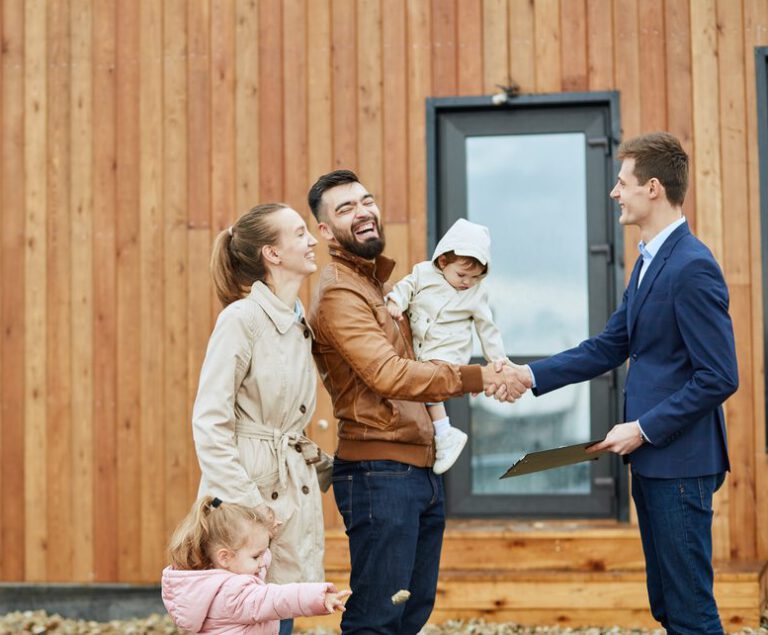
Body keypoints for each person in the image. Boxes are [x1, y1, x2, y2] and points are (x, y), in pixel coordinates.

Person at [523, 132, 738, 634]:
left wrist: (642, 428)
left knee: (690, 613)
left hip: (681, 464)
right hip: (656, 463)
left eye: (623, 183)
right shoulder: (648, 261)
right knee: (668, 605)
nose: (615, 193)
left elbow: (720, 375)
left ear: (654, 188)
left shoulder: (692, 265)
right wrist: (529, 374)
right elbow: (610, 345)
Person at [306, 169, 531, 634]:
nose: (363, 211)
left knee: (411, 611)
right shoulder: (340, 294)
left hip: (417, 468)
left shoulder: (378, 288)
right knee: (378, 618)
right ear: (325, 231)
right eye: (345, 208)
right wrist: (478, 376)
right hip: (379, 470)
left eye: (366, 201)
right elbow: (387, 374)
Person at [191, 203, 332, 635]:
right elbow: (209, 422)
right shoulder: (240, 320)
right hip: (248, 491)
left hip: (290, 484)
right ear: (272, 253)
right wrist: (248, 503)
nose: (312, 241)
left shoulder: (299, 321)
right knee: (249, 613)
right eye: (299, 233)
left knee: (282, 603)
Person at [385, 218, 508, 474]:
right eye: (462, 275)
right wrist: (396, 300)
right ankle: (440, 433)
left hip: (449, 349)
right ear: (443, 261)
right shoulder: (423, 273)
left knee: (431, 383)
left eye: (475, 277)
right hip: (421, 347)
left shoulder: (476, 293)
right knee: (419, 383)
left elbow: (487, 327)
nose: (467, 282)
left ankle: (445, 433)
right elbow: (406, 287)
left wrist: (498, 361)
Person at [161, 496, 350, 635]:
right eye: (256, 556)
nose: (262, 562)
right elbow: (276, 598)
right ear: (225, 557)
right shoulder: (234, 594)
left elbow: (260, 561)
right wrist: (318, 597)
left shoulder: (210, 582)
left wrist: (264, 538)